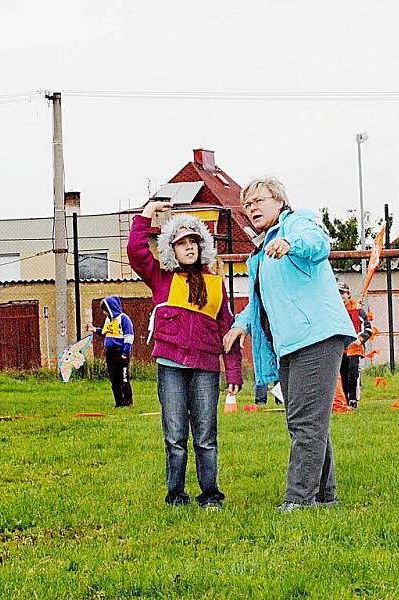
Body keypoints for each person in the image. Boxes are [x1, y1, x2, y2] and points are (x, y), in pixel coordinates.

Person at [223, 177, 356, 512]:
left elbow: (317, 242)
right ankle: (325, 498)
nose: (252, 208)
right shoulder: (259, 254)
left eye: (259, 201)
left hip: (317, 335)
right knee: (309, 421)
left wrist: (290, 243)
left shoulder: (295, 224)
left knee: (305, 422)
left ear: (279, 201)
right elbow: (259, 302)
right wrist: (239, 325)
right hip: (290, 344)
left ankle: (298, 500)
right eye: (247, 204)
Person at [127, 203, 242, 509]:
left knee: (206, 437)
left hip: (206, 369)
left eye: (193, 242)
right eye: (181, 244)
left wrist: (233, 374)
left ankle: (211, 496)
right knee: (175, 437)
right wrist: (147, 213)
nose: (189, 247)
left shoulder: (217, 285)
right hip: (170, 367)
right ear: (171, 250)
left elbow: (228, 331)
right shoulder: (161, 278)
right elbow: (136, 251)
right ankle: (176, 496)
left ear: (202, 247)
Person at [86, 296, 134, 408]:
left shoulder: (124, 319)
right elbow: (104, 332)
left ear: (111, 309)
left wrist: (125, 353)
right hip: (110, 353)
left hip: (120, 353)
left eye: (105, 310)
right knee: (114, 380)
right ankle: (118, 403)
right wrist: (94, 329)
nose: (104, 313)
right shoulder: (108, 320)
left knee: (124, 378)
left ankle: (127, 403)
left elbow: (129, 337)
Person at [337, 281, 373, 409]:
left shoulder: (357, 309)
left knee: (353, 373)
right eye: (337, 293)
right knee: (341, 374)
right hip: (340, 348)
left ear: (348, 294)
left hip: (354, 347)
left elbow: (368, 329)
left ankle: (353, 398)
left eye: (342, 293)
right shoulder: (334, 310)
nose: (340, 296)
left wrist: (360, 339)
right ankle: (344, 400)